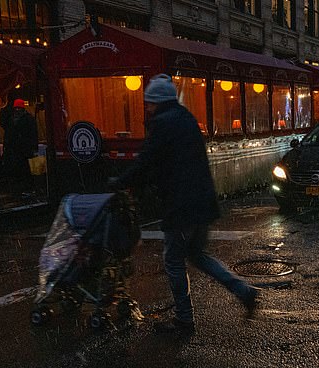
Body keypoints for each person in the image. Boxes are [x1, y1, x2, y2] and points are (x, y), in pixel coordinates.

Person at [110, 74, 260, 334]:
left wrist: (121, 181)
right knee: (198, 255)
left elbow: (148, 162)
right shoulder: (186, 118)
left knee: (174, 261)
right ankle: (243, 291)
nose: (146, 107)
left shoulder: (163, 124)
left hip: (181, 206)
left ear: (157, 102)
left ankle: (184, 319)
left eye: (148, 103)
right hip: (201, 201)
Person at [3, 99, 38, 194]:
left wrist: (34, 148)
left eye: (19, 108)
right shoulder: (12, 119)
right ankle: (21, 188)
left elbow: (33, 134)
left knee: (25, 169)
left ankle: (28, 188)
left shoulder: (28, 119)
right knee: (18, 169)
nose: (17, 110)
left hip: (24, 148)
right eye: (16, 108)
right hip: (15, 149)